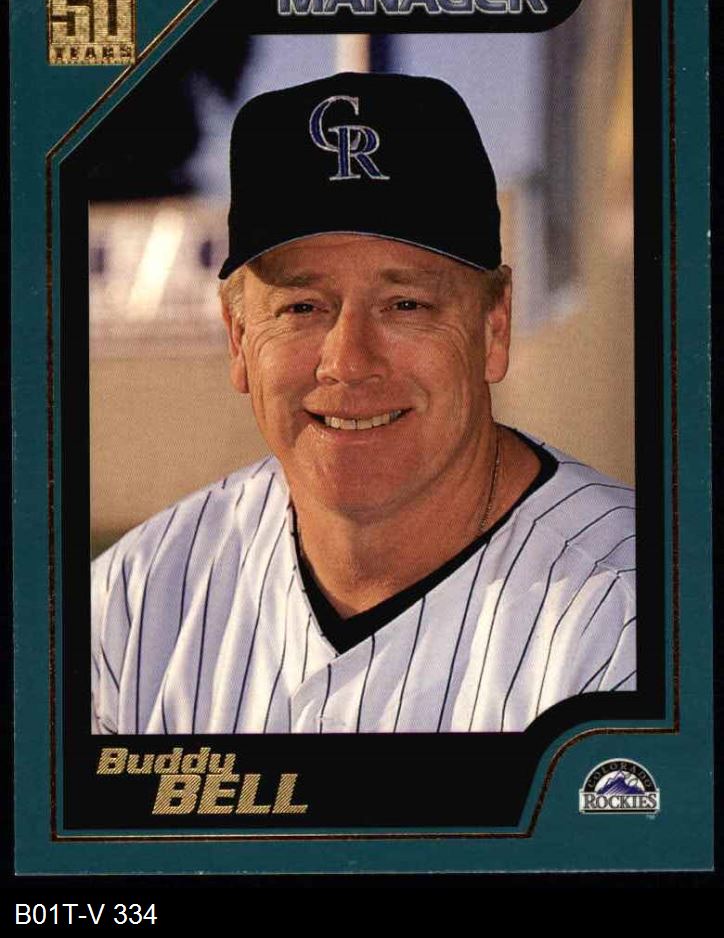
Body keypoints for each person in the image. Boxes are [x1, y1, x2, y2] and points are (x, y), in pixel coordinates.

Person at [91, 71, 635, 735]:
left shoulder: (631, 616)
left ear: (494, 328)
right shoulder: (130, 603)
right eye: (302, 307)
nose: (348, 362)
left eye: (406, 304)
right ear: (238, 338)